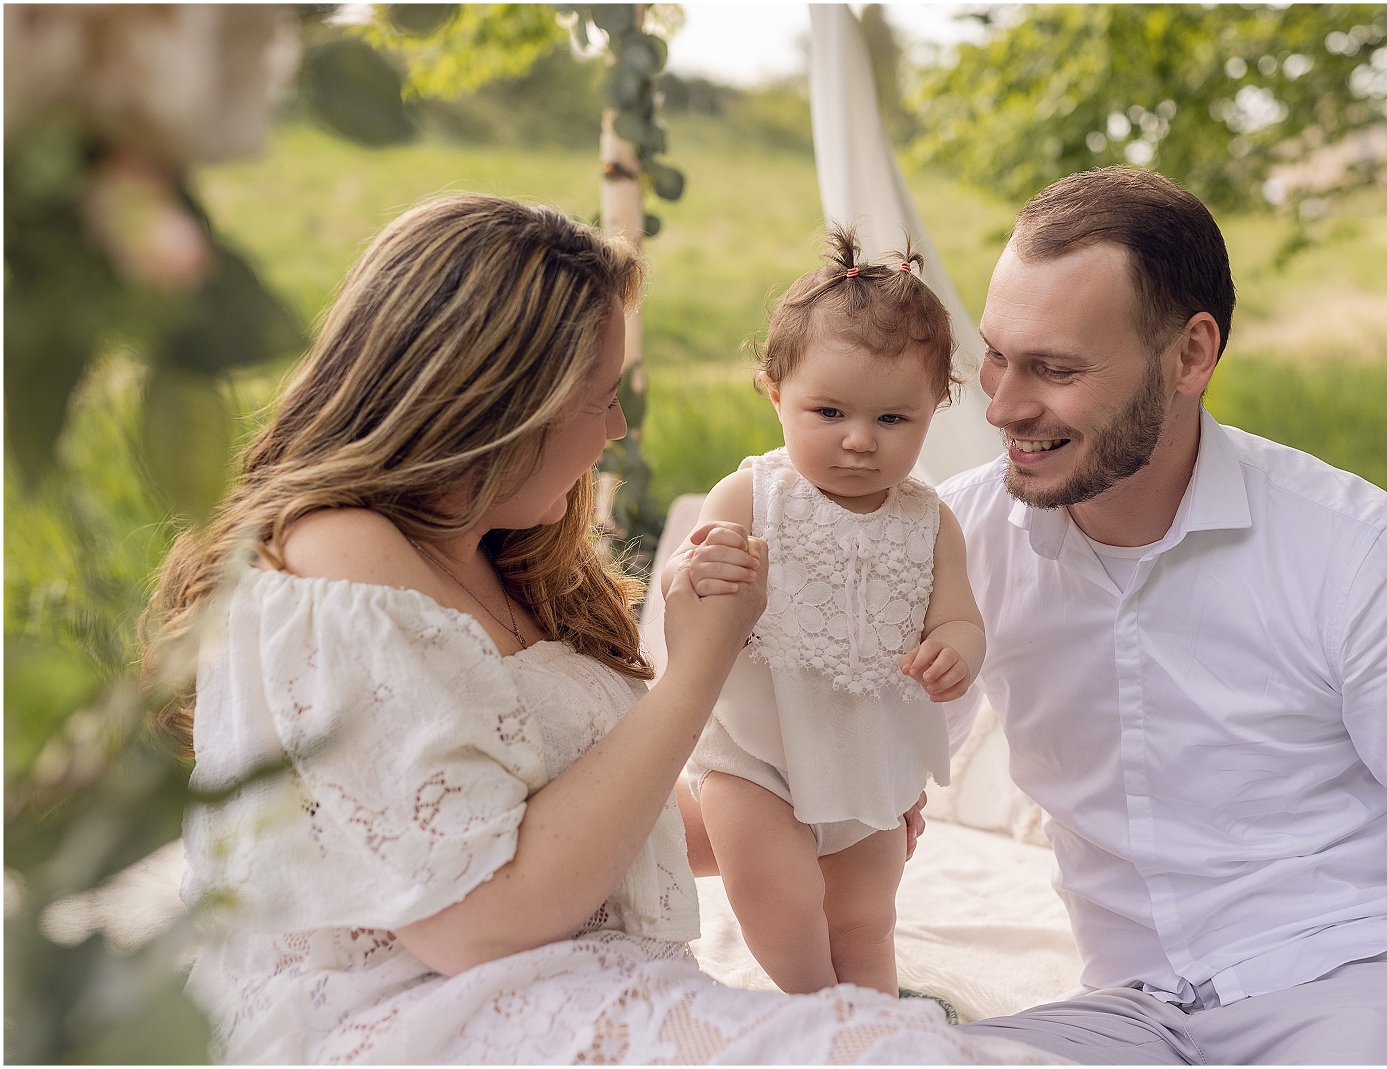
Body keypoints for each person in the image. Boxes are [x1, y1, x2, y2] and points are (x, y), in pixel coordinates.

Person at [143, 194, 1054, 1065]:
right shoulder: (340, 552)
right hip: (422, 1011)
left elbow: (578, 820)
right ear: (498, 402)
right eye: (600, 395)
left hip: (560, 983)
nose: (616, 428)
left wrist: (811, 796)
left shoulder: (498, 554)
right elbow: (479, 915)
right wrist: (699, 664)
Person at [929, 166, 1387, 1064]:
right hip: (1133, 1013)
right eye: (997, 355)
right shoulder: (957, 538)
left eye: (1055, 369)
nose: (1003, 404)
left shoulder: (1357, 552)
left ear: (1191, 356)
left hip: (1356, 980)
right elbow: (845, 767)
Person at [660, 227, 983, 998]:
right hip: (757, 762)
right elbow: (689, 602)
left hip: (868, 765)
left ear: (934, 407)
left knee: (866, 921)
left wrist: (955, 651)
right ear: (776, 392)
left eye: (893, 420)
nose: (860, 441)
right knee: (783, 899)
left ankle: (871, 1023)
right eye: (829, 411)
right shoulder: (751, 496)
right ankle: (809, 1012)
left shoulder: (931, 521)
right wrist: (696, 568)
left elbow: (960, 618)